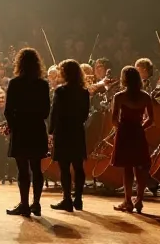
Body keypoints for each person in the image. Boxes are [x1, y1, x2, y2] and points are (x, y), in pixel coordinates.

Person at [4, 48, 51, 217]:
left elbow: (8, 110)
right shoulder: (43, 84)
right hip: (37, 129)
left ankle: (24, 204)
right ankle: (36, 204)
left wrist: (13, 125)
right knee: (37, 168)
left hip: (20, 129)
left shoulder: (15, 83)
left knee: (22, 169)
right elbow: (46, 112)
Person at [110, 66, 155, 213]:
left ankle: (128, 201)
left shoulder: (120, 96)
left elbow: (114, 119)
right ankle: (140, 201)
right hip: (138, 132)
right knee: (140, 167)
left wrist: (122, 128)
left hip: (124, 133)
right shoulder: (145, 96)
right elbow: (151, 119)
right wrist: (140, 127)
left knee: (127, 168)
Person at [47, 60, 90, 212]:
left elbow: (54, 113)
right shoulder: (84, 91)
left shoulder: (60, 91)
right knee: (78, 167)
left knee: (64, 168)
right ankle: (78, 199)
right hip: (77, 131)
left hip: (63, 132)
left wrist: (51, 131)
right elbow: (85, 115)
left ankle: (67, 199)